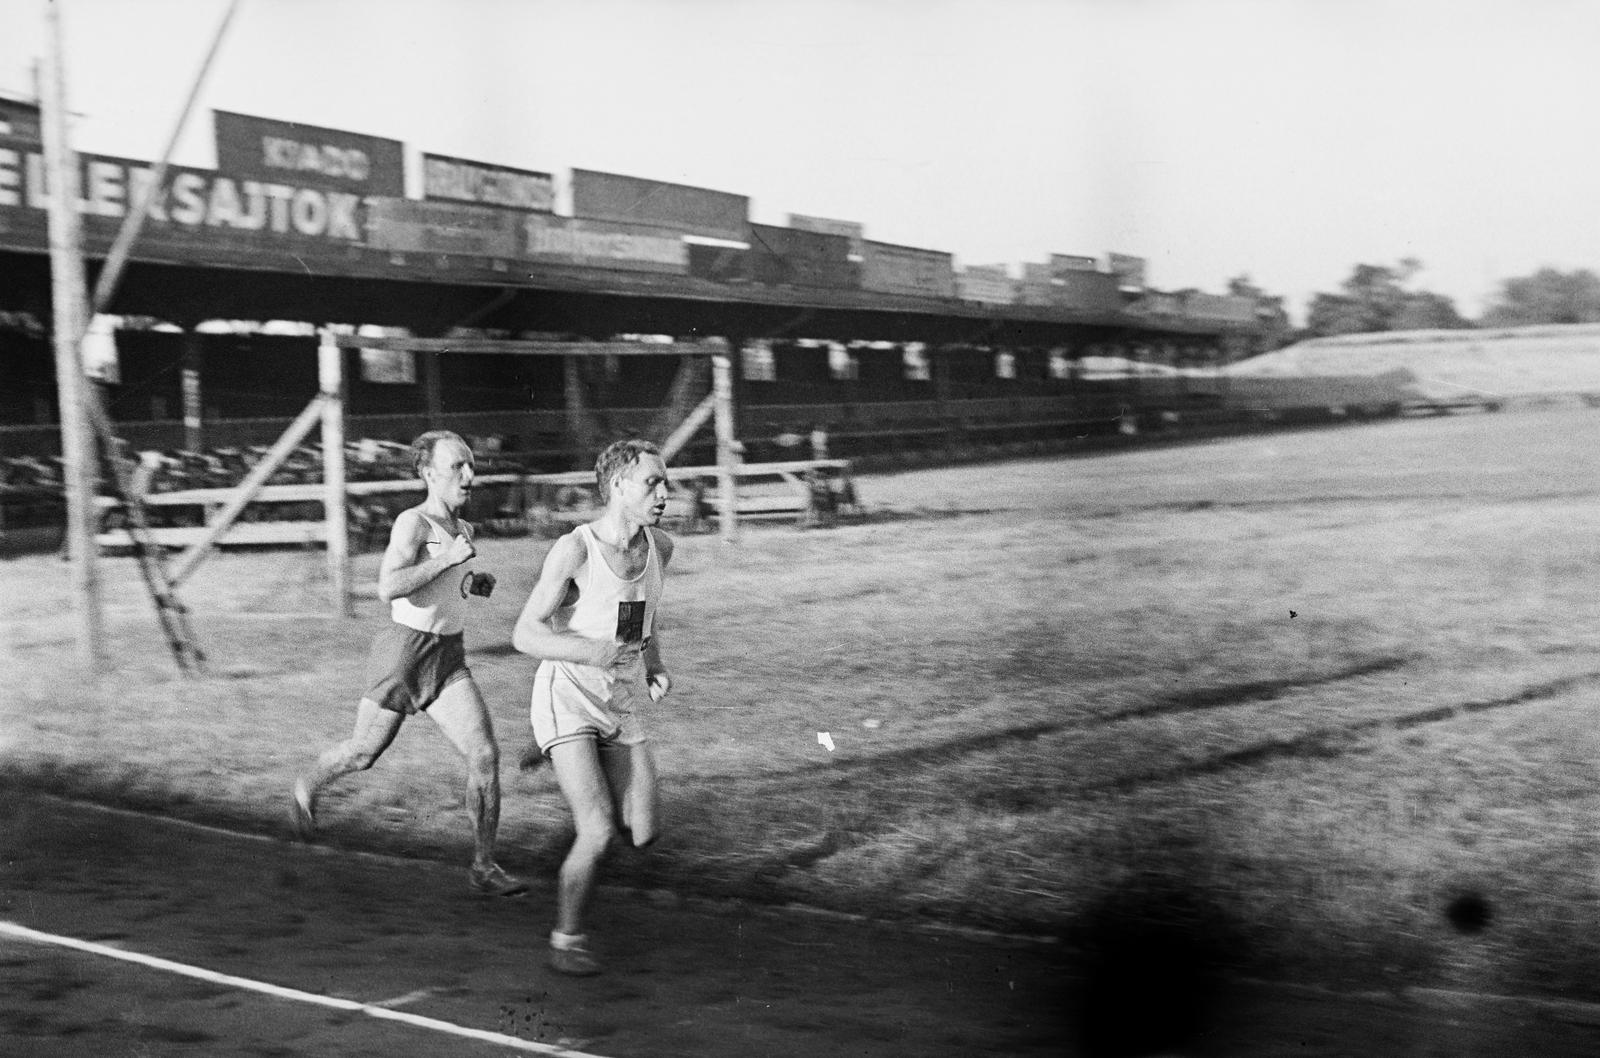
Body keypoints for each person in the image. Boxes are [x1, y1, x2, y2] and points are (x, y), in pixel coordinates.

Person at [290, 430, 527, 899]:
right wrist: (446, 564)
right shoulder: (412, 523)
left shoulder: (464, 530)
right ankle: (307, 784)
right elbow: (389, 586)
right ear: (427, 473)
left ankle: (484, 863)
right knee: (363, 754)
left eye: (471, 465)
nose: (469, 475)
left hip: (448, 656)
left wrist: (472, 581)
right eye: (458, 466)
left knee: (484, 755)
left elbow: (446, 584)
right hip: (403, 653)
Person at [513, 438, 676, 976]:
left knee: (645, 831)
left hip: (618, 697)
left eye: (665, 481)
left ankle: (557, 753)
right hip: (567, 695)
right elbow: (525, 634)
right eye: (652, 481)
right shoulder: (575, 548)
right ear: (617, 487)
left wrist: (650, 664)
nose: (664, 491)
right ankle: (567, 937)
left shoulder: (660, 547)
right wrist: (591, 650)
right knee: (599, 831)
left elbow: (635, 616)